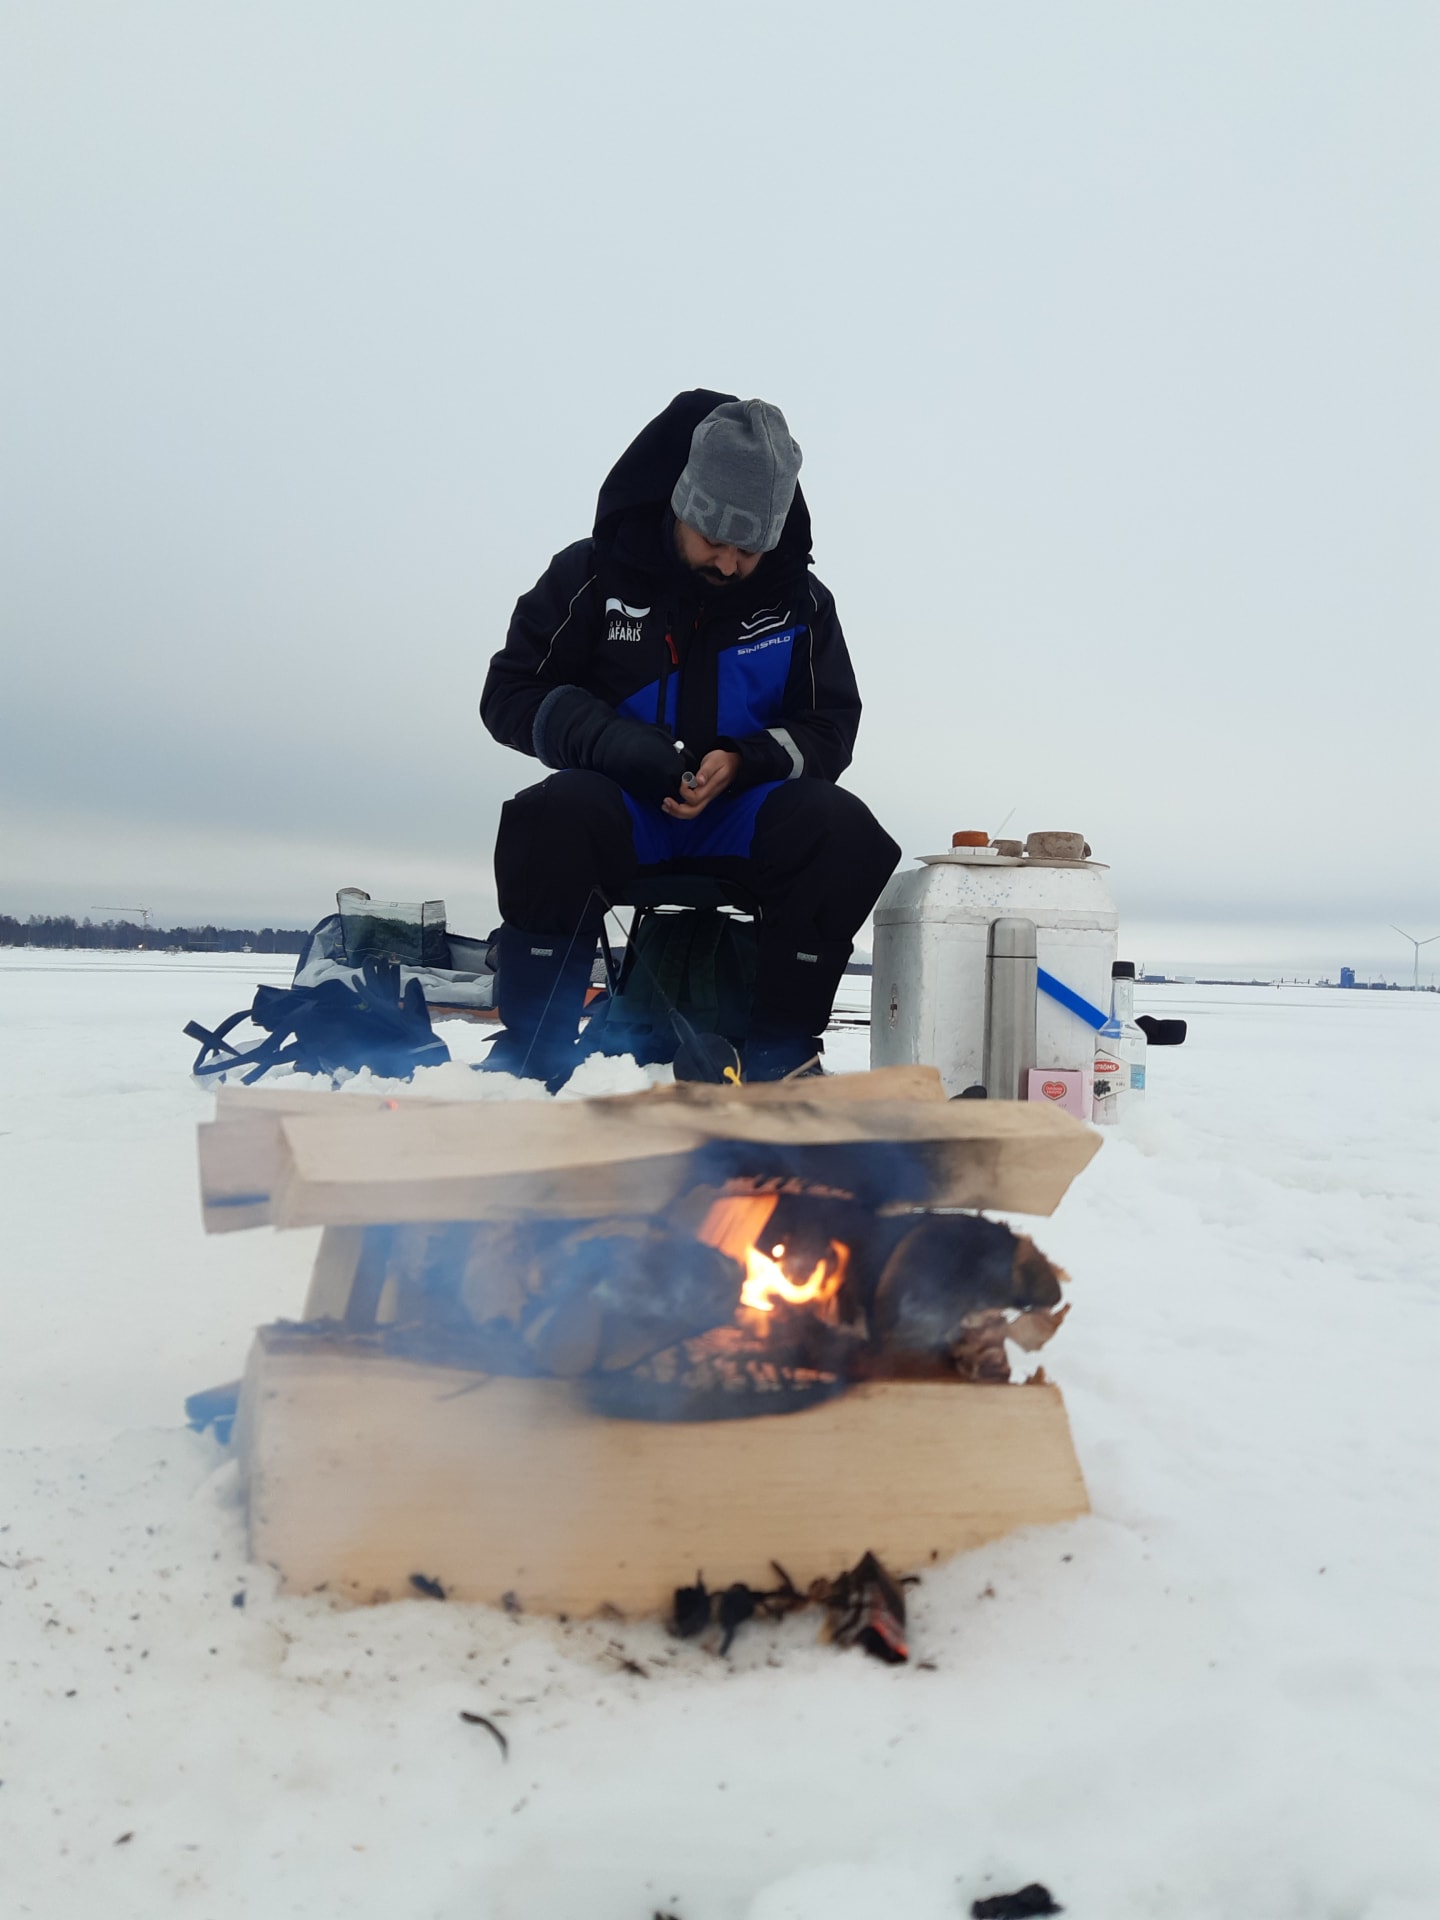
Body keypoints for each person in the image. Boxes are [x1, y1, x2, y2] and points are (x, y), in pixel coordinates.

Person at [479, 388, 900, 1087]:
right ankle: (534, 1052)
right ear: (682, 506)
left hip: (739, 813)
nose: (731, 563)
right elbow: (509, 694)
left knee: (843, 830)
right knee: (547, 814)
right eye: (716, 541)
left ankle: (780, 1054)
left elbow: (832, 727)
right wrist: (612, 743)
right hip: (624, 808)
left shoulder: (802, 604)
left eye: (751, 549)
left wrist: (746, 759)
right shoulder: (591, 574)